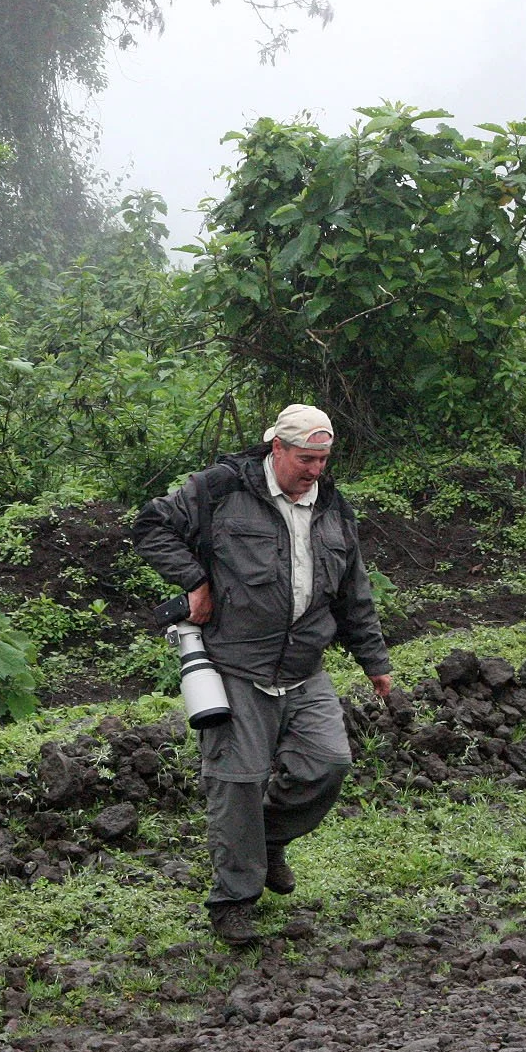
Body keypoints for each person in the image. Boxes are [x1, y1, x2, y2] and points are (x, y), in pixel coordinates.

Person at [133, 404, 394, 945]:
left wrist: (374, 662)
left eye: (323, 459)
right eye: (305, 459)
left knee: (328, 765)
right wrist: (194, 581)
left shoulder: (333, 508)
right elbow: (152, 525)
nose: (315, 470)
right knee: (236, 784)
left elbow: (353, 592)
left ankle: (268, 841)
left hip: (304, 665)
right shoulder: (220, 490)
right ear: (277, 448)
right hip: (235, 663)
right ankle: (233, 901)